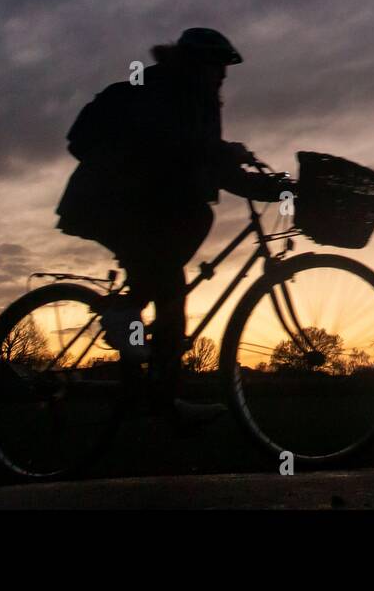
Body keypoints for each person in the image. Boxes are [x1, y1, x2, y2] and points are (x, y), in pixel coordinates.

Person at [55, 27, 290, 420]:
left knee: (171, 293)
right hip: (108, 202)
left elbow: (207, 167)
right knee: (195, 219)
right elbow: (174, 144)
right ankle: (123, 312)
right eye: (217, 67)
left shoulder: (194, 101)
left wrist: (272, 189)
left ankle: (161, 401)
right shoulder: (162, 89)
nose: (222, 77)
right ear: (196, 64)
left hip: (135, 206)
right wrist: (223, 152)